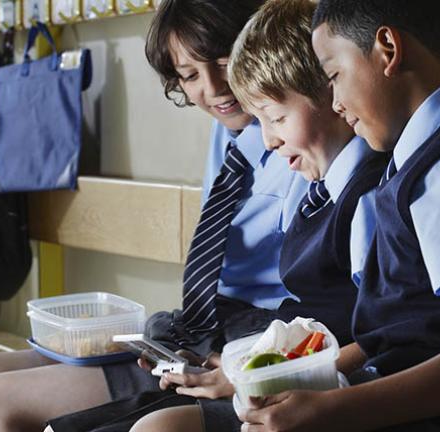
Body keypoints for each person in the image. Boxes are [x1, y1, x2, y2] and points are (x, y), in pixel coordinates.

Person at [0, 1, 307, 431]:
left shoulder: (299, 141)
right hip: (192, 331)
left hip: (246, 338)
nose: (214, 88)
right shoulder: (227, 134)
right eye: (190, 75)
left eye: (224, 62)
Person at [45, 1, 387, 430]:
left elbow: (382, 334)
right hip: (249, 350)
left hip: (288, 366)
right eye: (189, 75)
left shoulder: (362, 194)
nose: (269, 140)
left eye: (276, 118)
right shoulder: (304, 177)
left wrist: (252, 370)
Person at [238, 1, 440, 430]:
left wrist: (331, 409)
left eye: (334, 76)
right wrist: (312, 386)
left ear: (388, 49)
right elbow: (400, 335)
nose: (335, 103)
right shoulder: (419, 157)